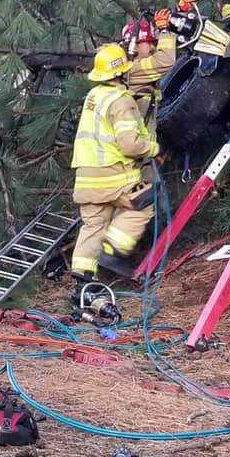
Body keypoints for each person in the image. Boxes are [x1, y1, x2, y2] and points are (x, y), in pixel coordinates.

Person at [70, 43, 158, 285]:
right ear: (122, 72)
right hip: (113, 176)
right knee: (143, 204)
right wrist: (152, 148)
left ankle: (83, 279)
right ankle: (113, 250)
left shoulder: (93, 96)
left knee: (93, 225)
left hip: (86, 179)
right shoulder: (121, 100)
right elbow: (129, 144)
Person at [123, 8, 176, 124]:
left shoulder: (135, 64)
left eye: (154, 43)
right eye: (149, 42)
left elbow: (165, 44)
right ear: (134, 45)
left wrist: (178, 13)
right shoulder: (132, 69)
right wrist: (164, 31)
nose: (153, 47)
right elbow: (166, 59)